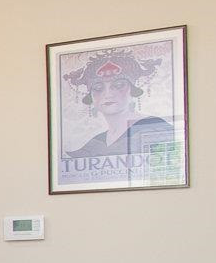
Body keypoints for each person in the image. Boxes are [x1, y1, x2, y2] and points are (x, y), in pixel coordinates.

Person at [61, 51, 178, 179]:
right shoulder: (95, 143)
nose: (108, 94)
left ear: (132, 90)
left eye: (118, 85)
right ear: (91, 96)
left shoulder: (155, 128)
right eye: (98, 88)